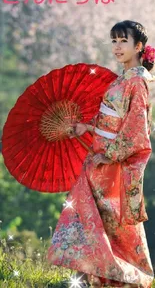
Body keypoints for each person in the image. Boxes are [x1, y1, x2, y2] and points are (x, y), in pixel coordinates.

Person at [48, 20, 155, 288]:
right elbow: (111, 118)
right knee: (90, 219)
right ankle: (88, 277)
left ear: (138, 46)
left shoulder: (138, 82)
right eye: (114, 41)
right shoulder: (123, 79)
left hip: (112, 163)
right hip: (98, 158)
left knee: (111, 224)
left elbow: (136, 127)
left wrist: (112, 155)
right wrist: (86, 126)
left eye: (123, 41)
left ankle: (119, 277)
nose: (117, 47)